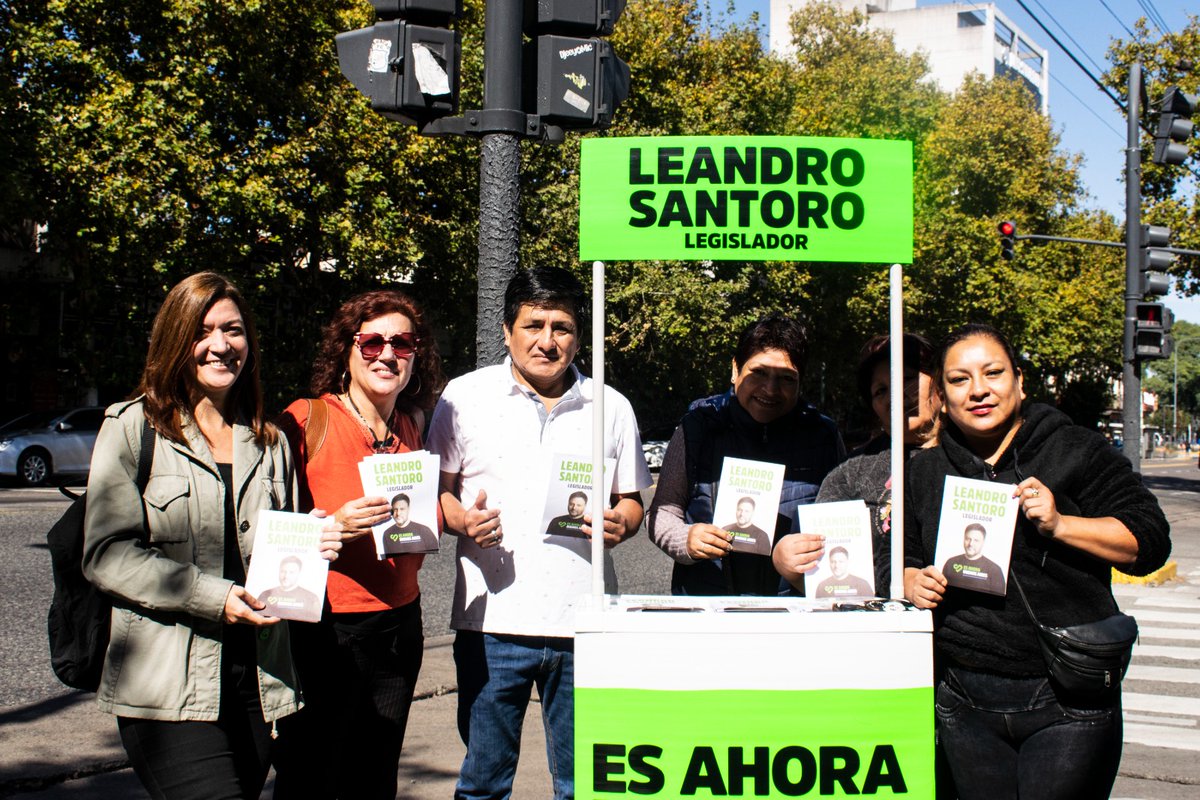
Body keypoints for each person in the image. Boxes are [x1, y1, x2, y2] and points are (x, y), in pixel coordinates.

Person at [81, 272, 341, 800]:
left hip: (259, 687)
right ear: (177, 339)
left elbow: (281, 544)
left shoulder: (269, 441)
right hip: (167, 686)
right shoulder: (133, 426)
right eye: (204, 331)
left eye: (234, 330)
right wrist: (217, 597)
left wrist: (314, 544)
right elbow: (106, 555)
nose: (221, 346)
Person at [904, 323, 1171, 799]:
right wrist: (906, 577)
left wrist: (1062, 524)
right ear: (942, 397)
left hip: (1067, 701)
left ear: (1020, 381)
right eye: (960, 380)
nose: (979, 390)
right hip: (964, 701)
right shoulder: (924, 469)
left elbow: (1147, 543)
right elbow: (898, 551)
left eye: (993, 373)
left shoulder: (1076, 449)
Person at [426, 266, 652, 800]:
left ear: (579, 335)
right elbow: (435, 491)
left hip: (585, 625)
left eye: (562, 327)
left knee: (582, 786)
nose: (547, 341)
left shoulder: (611, 406)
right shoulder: (464, 396)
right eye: (533, 325)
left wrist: (624, 522)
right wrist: (461, 519)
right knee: (483, 783)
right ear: (508, 331)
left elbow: (633, 501)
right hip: (491, 625)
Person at [275, 290, 445, 800]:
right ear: (346, 352)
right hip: (329, 628)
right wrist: (332, 526)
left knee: (375, 774)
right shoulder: (307, 420)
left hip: (399, 625)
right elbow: (265, 529)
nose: (387, 354)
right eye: (371, 343)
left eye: (402, 342)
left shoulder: (413, 425)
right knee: (314, 773)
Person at [648, 312, 845, 596]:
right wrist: (686, 540)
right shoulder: (700, 424)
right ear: (735, 369)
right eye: (759, 372)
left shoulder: (823, 435)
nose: (770, 389)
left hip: (793, 609)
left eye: (786, 379)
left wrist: (799, 561)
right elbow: (663, 511)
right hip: (706, 603)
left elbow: (843, 526)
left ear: (801, 381)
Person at [775, 333, 940, 597]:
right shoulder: (852, 473)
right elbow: (825, 580)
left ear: (939, 382)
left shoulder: (977, 456)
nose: (894, 397)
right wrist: (789, 563)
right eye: (880, 391)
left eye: (907, 379)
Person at [941, 523, 1006, 595]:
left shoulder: (995, 570)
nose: (971, 544)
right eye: (968, 539)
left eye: (976, 540)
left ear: (983, 542)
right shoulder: (950, 563)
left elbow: (998, 603)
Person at [261, 555, 323, 619]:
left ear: (298, 574)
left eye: (291, 572)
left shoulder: (311, 598)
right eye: (283, 571)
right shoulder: (265, 594)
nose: (286, 576)